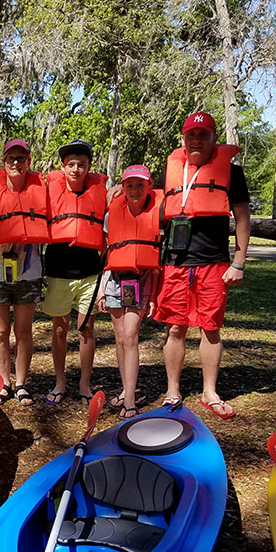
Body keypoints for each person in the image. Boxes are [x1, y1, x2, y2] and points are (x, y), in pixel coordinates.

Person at [152, 112, 249, 419]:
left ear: (213, 139)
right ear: (184, 138)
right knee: (176, 327)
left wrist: (239, 261)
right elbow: (146, 202)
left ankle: (209, 391)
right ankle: (172, 390)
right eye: (191, 135)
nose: (196, 140)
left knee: (210, 328)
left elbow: (243, 218)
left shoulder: (232, 173)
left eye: (203, 135)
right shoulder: (169, 172)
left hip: (214, 264)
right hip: (175, 264)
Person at [0, 138, 49, 407]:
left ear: (29, 161)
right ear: (3, 163)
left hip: (28, 274)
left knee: (24, 331)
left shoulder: (42, 192)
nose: (16, 163)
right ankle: (4, 382)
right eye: (10, 159)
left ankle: (21, 384)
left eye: (21, 158)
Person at [41, 140, 106, 405]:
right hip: (58, 269)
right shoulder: (48, 192)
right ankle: (60, 381)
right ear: (62, 167)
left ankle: (84, 384)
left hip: (89, 270)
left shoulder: (102, 193)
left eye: (81, 164)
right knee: (59, 329)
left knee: (86, 328)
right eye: (71, 165)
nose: (76, 170)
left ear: (89, 167)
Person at [96, 165, 162, 419]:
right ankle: (126, 389)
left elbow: (157, 261)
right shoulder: (111, 213)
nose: (135, 190)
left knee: (131, 335)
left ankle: (131, 399)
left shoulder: (157, 213)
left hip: (142, 279)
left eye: (140, 185)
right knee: (121, 338)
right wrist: (102, 288)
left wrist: (155, 296)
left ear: (149, 186)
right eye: (129, 185)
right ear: (122, 187)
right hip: (114, 279)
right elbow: (105, 253)